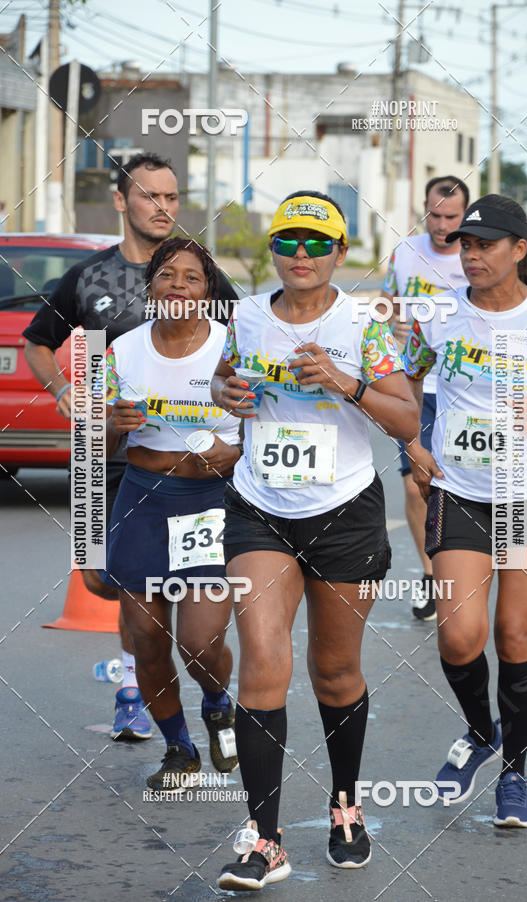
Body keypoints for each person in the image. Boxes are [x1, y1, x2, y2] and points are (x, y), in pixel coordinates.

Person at [210, 190, 419, 890]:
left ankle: (344, 806)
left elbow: (408, 420)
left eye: (315, 243)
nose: (300, 255)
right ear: (274, 249)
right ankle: (265, 838)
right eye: (288, 242)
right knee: (262, 660)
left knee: (335, 671)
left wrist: (344, 382)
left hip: (344, 510)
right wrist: (227, 394)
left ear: (338, 251)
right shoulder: (244, 314)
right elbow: (224, 381)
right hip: (258, 507)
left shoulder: (362, 323)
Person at [23, 153, 238, 740]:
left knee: (171, 602)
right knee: (103, 583)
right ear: (123, 201)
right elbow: (37, 342)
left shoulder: (207, 278)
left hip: (188, 467)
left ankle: (131, 693)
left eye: (172, 197)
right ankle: (137, 676)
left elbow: (243, 358)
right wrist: (66, 389)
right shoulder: (89, 278)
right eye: (151, 196)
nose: (163, 207)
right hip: (105, 456)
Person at [403, 195, 527, 828]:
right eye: (465, 244)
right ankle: (480, 731)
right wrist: (412, 440)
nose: (471, 254)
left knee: (515, 635)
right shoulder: (438, 315)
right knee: (459, 634)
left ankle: (513, 773)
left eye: (485, 244)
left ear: (518, 250)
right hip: (460, 490)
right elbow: (401, 379)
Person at [105, 237, 241, 785]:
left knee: (200, 642)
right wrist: (110, 423)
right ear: (151, 285)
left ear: (207, 290)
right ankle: (179, 749)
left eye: (191, 277)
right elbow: (88, 442)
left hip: (209, 504)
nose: (178, 285)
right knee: (147, 640)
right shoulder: (121, 350)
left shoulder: (232, 349)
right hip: (141, 499)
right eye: (167, 275)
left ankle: (216, 702)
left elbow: (264, 432)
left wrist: (231, 455)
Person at [382, 175, 469, 620]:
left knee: (458, 488)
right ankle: (431, 573)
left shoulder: (475, 255)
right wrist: (390, 321)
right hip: (414, 385)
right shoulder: (405, 252)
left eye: (451, 217)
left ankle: (468, 567)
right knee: (416, 485)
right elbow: (386, 303)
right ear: (424, 208)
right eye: (434, 215)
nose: (441, 225)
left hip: (466, 388)